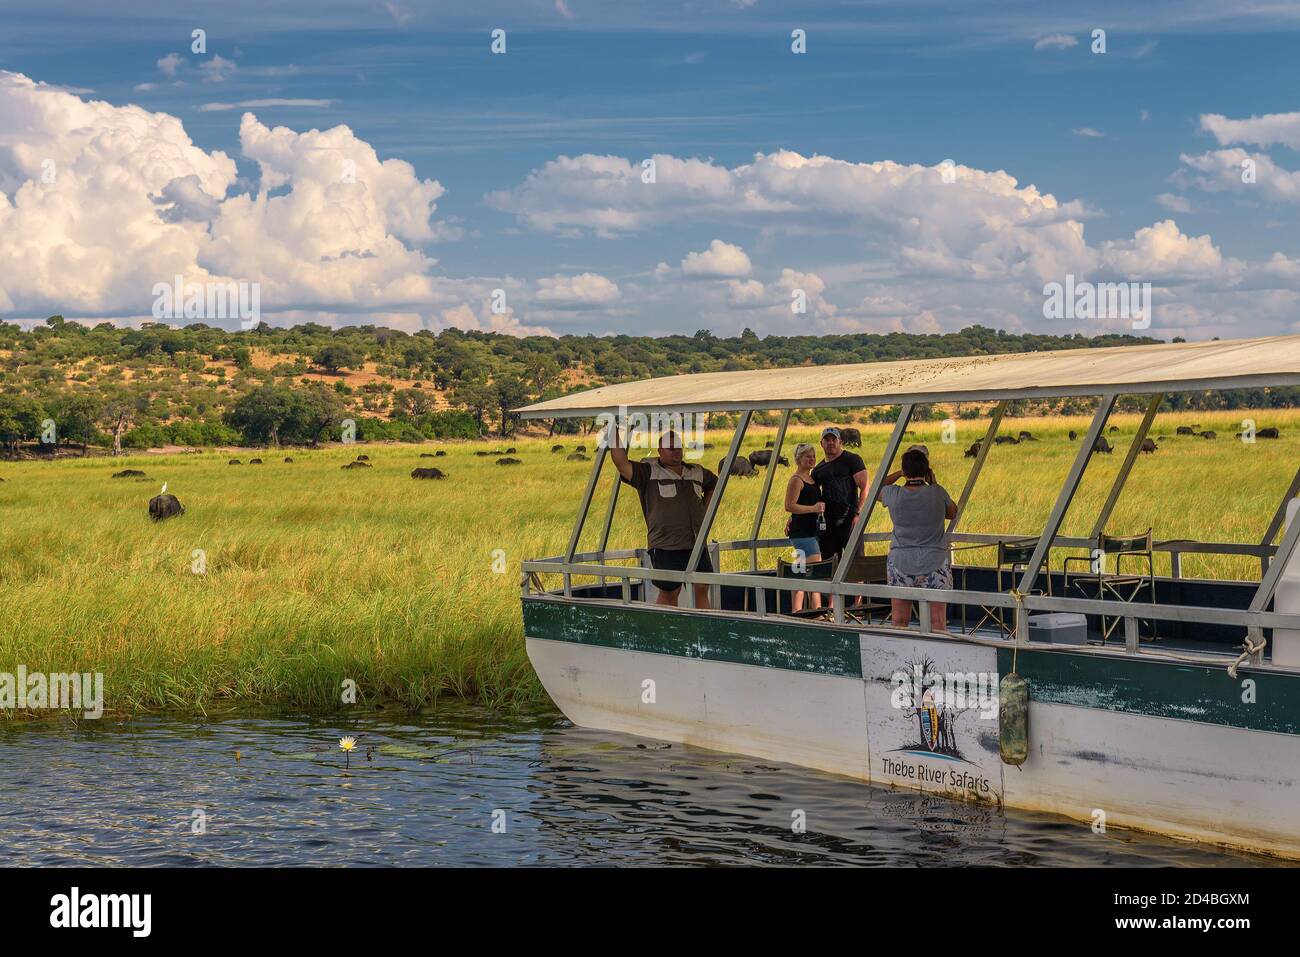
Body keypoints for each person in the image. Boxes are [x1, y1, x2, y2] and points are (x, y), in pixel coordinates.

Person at [608, 427, 718, 609]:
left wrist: (704, 512)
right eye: (670, 448)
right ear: (660, 450)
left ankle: (704, 629)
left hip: (696, 542)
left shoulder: (696, 471)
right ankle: (666, 632)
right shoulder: (648, 471)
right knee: (669, 592)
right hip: (666, 545)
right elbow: (621, 464)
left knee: (702, 586)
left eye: (679, 448)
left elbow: (714, 484)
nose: (676, 452)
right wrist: (613, 432)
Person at [880, 448, 958, 632]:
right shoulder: (938, 493)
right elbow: (953, 512)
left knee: (899, 621)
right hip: (935, 562)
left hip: (900, 562)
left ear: (905, 471)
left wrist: (900, 474)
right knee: (938, 623)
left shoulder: (893, 493)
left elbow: (877, 486)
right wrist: (934, 483)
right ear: (927, 470)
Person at [811, 427, 869, 562]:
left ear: (840, 442)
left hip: (850, 521)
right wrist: (794, 516)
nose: (830, 443)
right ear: (821, 444)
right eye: (827, 440)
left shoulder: (852, 460)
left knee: (856, 565)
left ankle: (858, 584)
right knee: (830, 564)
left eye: (834, 439)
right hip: (828, 525)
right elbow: (811, 494)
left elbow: (865, 487)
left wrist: (858, 514)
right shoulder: (818, 469)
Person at [782, 443, 825, 612]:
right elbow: (789, 505)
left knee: (802, 570)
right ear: (798, 459)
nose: (811, 459)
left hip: (811, 530)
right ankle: (817, 611)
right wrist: (813, 508)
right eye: (807, 456)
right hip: (802, 532)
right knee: (815, 569)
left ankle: (798, 610)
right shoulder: (796, 480)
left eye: (813, 456)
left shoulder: (812, 479)